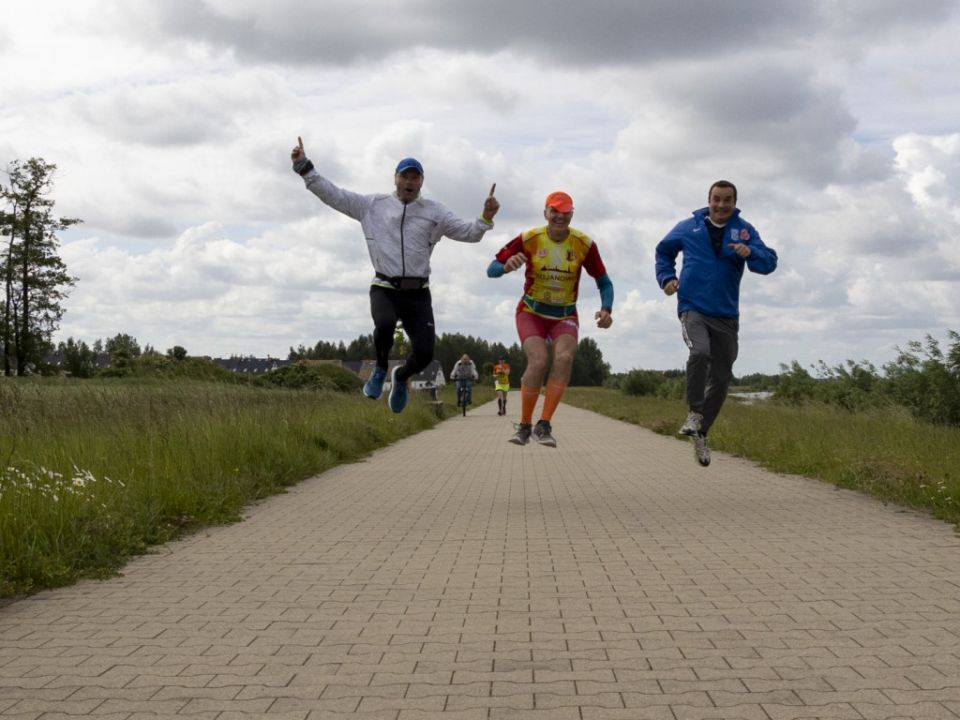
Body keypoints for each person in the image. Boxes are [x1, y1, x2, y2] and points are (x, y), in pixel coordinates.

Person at [290, 137, 499, 413]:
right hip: (385, 287)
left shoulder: (435, 212)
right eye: (404, 176)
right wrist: (305, 169)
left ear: (421, 182)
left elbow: (469, 233)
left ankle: (401, 377)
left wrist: (485, 218)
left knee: (425, 353)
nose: (409, 182)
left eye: (415, 177)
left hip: (418, 293)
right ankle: (379, 369)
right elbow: (335, 196)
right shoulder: (372, 205)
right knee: (385, 323)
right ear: (395, 178)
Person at [655, 180, 778, 467]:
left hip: (726, 313)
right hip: (693, 307)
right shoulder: (689, 227)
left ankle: (702, 431)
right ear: (708, 200)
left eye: (727, 200)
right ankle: (694, 412)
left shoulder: (744, 230)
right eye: (716, 199)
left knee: (722, 378)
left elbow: (769, 262)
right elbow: (663, 251)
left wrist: (751, 253)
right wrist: (667, 278)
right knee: (699, 352)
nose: (721, 205)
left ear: (735, 202)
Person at [487, 191, 613, 447]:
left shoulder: (584, 244)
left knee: (564, 358)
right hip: (531, 312)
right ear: (545, 212)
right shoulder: (529, 238)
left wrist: (606, 309)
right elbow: (491, 270)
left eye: (565, 212)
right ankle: (524, 425)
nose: (560, 217)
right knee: (539, 360)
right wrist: (505, 267)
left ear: (572, 215)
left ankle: (543, 424)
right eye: (554, 211)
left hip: (564, 315)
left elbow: (604, 282)